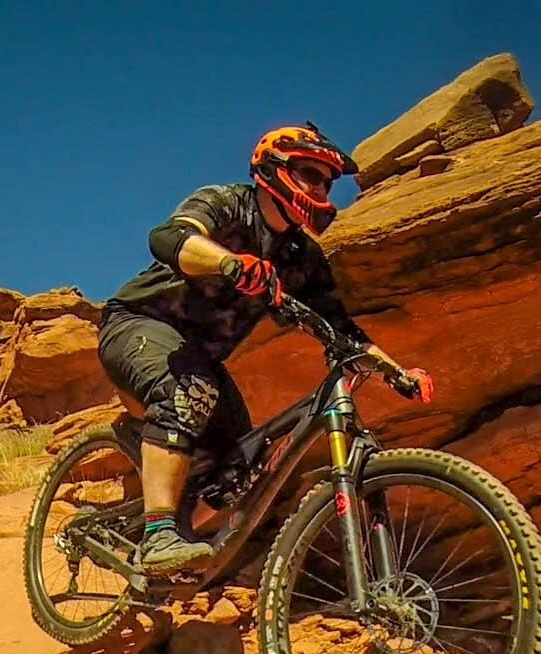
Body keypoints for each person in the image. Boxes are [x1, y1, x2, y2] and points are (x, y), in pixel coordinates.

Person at [98, 122, 434, 574]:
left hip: (202, 360)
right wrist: (228, 262)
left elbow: (342, 329)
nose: (319, 188)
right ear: (274, 169)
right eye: (309, 175)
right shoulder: (227, 204)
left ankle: (174, 549)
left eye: (325, 181)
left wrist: (399, 372)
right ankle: (159, 535)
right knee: (189, 392)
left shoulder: (302, 259)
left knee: (243, 463)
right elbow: (169, 238)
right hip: (138, 324)